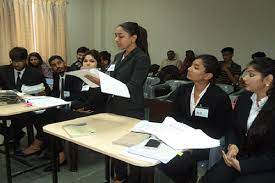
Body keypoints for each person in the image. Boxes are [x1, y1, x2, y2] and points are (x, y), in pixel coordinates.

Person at [84, 22, 150, 183]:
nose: (116, 39)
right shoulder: (118, 56)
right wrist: (96, 79)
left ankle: (134, 179)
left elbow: (133, 87)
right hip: (114, 106)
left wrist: (104, 83)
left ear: (133, 38)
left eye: (121, 36)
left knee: (130, 146)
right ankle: (120, 176)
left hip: (131, 109)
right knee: (114, 145)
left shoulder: (141, 58)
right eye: (115, 36)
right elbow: (111, 78)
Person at [159, 54, 232, 183]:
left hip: (204, 144)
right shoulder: (183, 90)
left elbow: (219, 130)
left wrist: (192, 144)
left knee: (177, 161)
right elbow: (174, 116)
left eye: (196, 67)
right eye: (191, 65)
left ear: (208, 76)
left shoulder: (219, 97)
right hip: (181, 139)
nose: (189, 68)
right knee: (157, 154)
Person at [200, 57, 275, 183]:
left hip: (266, 165)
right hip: (240, 157)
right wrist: (233, 145)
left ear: (268, 79)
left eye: (251, 75)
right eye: (246, 73)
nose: (244, 78)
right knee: (210, 179)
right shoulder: (244, 99)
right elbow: (232, 127)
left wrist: (242, 166)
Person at [0, 47, 50, 149]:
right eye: (13, 61)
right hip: (7, 104)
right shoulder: (3, 71)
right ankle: (13, 134)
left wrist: (40, 92)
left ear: (25, 60)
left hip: (26, 107)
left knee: (28, 116)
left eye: (19, 61)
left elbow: (46, 90)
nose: (16, 64)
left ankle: (12, 134)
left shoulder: (35, 73)